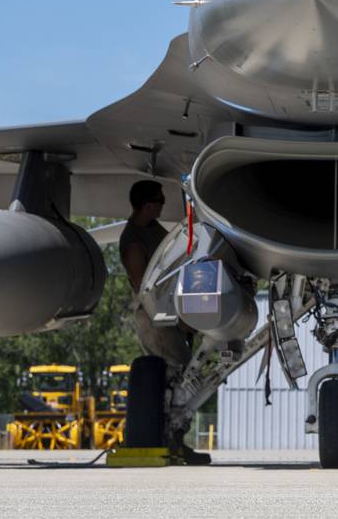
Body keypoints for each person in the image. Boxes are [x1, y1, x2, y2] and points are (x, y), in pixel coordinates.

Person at [119, 179, 207, 465]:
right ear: (147, 204)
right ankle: (171, 441)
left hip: (167, 313)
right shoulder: (134, 239)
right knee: (176, 376)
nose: (163, 204)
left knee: (183, 373)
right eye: (159, 200)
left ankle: (176, 442)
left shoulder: (152, 230)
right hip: (156, 316)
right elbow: (143, 286)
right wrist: (176, 321)